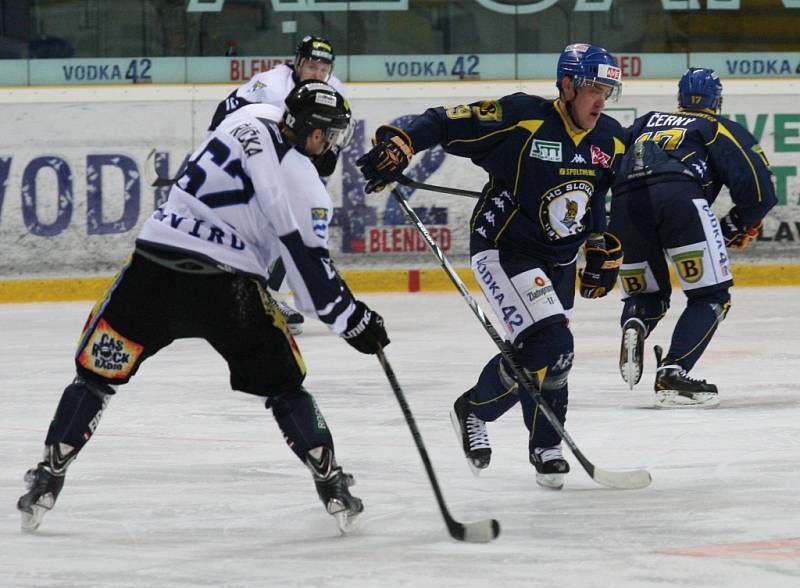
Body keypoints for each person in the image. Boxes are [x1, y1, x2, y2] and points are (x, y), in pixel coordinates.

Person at [17, 81, 389, 534]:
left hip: (153, 270)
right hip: (228, 290)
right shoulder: (306, 186)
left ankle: (48, 477)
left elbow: (236, 104)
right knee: (285, 388)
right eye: (330, 136)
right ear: (314, 136)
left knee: (94, 378)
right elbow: (312, 283)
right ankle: (331, 483)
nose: (331, 147)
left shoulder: (246, 119)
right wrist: (356, 321)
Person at [356, 43, 625, 490]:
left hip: (558, 260)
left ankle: (546, 446)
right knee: (550, 340)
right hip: (505, 249)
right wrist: (402, 144)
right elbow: (445, 121)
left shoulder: (610, 137)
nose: (601, 100)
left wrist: (600, 242)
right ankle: (475, 409)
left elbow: (599, 193)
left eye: (608, 91)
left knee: (557, 355)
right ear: (567, 85)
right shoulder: (522, 119)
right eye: (594, 88)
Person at [611, 67, 777, 409]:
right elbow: (759, 190)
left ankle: (636, 321)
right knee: (711, 295)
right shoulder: (714, 127)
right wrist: (736, 225)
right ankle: (673, 372)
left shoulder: (643, 123)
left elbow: (603, 161)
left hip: (624, 205)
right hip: (679, 197)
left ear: (679, 98)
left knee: (648, 293)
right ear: (717, 100)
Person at [208, 35, 345, 335]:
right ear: (298, 63)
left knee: (290, 228)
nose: (318, 74)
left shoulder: (333, 88)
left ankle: (267, 296)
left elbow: (332, 137)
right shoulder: (270, 84)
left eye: (324, 68)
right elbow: (225, 110)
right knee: (258, 229)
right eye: (311, 66)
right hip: (254, 164)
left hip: (291, 166)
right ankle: (239, 294)